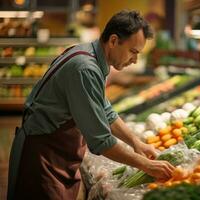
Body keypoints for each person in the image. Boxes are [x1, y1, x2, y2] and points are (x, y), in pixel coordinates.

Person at [7, 10, 175, 200]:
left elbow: (106, 110)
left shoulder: (92, 57)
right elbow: (101, 141)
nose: (135, 60)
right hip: (41, 156)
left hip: (55, 153)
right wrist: (146, 165)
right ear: (113, 41)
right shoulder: (85, 68)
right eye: (132, 52)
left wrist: (136, 142)